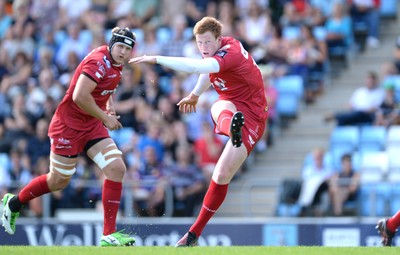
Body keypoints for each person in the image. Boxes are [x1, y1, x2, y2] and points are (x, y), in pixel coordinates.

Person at [129, 16, 268, 247]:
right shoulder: (216, 53)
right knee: (219, 112)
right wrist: (194, 94)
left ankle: (234, 128)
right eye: (199, 43)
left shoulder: (230, 51)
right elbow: (208, 69)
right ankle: (193, 236)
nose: (203, 47)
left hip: (253, 118)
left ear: (219, 39)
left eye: (207, 43)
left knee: (222, 168)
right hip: (233, 106)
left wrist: (156, 59)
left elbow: (199, 67)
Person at [1, 27, 136, 247]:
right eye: (120, 46)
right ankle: (14, 203)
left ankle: (108, 235)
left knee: (116, 168)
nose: (123, 51)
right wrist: (106, 117)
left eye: (127, 49)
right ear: (111, 45)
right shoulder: (98, 62)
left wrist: (108, 107)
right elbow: (79, 96)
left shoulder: (117, 64)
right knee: (58, 181)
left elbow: (105, 89)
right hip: (68, 127)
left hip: (91, 125)